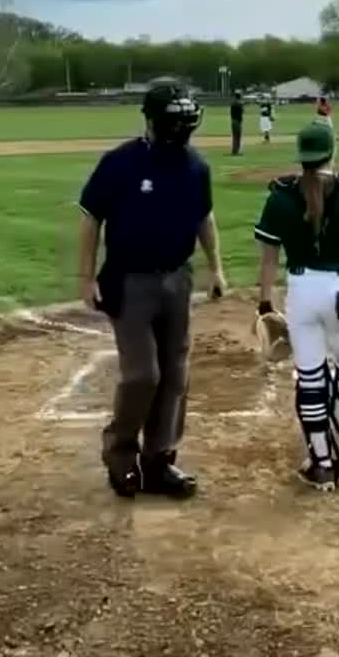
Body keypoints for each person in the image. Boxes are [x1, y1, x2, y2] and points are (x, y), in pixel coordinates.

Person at [77, 83, 228, 499]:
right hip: (129, 281)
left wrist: (216, 267)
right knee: (143, 374)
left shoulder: (196, 167)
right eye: (174, 119)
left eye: (186, 119)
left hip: (176, 279)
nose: (181, 126)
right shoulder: (120, 164)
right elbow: (91, 218)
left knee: (175, 374)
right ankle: (120, 454)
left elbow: (204, 218)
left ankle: (160, 460)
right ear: (153, 119)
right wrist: (85, 277)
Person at [253, 121, 339, 491]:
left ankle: (322, 463)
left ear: (301, 157)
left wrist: (265, 303)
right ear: (332, 152)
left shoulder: (280, 198)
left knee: (311, 379)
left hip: (301, 296)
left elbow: (268, 260)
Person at [229, 90, 245, 156]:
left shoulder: (233, 103)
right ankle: (236, 151)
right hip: (237, 121)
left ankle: (234, 150)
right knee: (237, 136)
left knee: (235, 136)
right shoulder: (239, 103)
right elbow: (242, 111)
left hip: (233, 120)